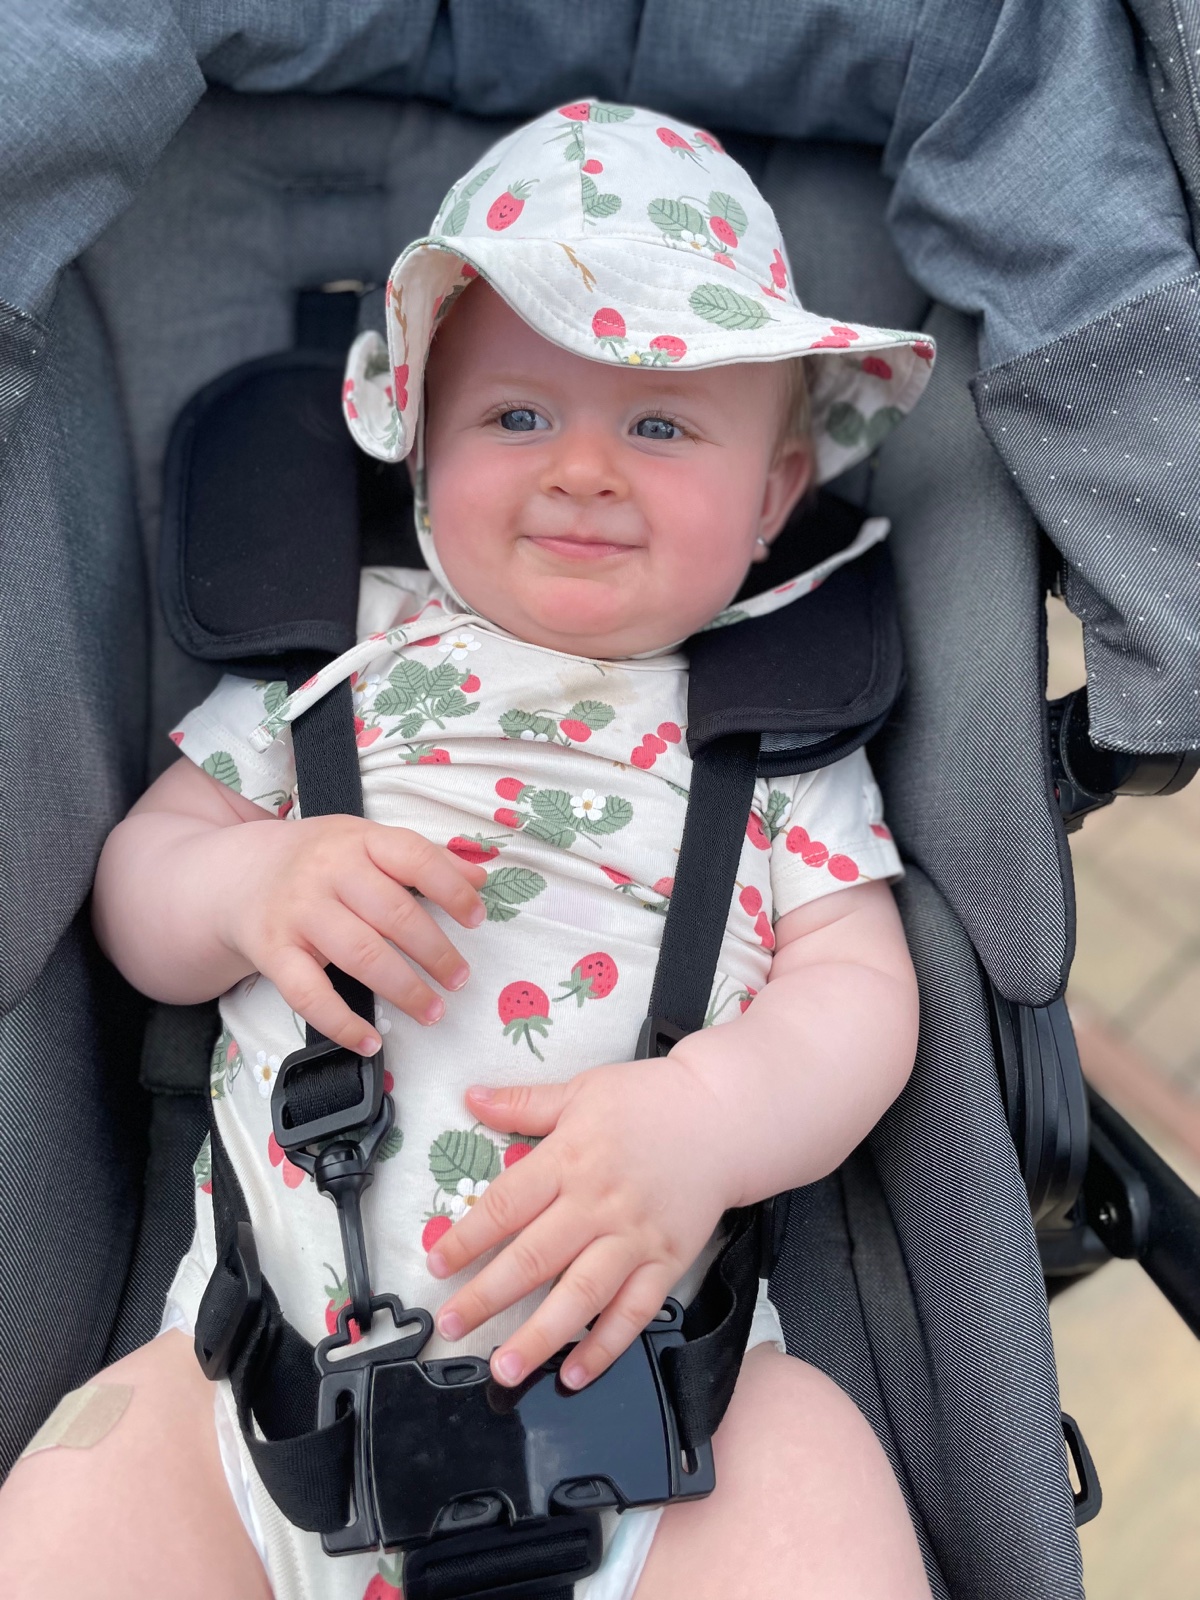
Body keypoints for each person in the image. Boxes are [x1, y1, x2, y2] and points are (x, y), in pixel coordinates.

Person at [0, 104, 936, 1599]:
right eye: (516, 417)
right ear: (418, 447)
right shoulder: (333, 672)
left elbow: (862, 998)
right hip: (259, 1406)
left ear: (773, 496)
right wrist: (243, 885)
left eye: (659, 424)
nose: (584, 469)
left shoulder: (774, 737)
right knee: (65, 1519)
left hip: (663, 1419)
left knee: (819, 1477)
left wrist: (710, 1120)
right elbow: (138, 889)